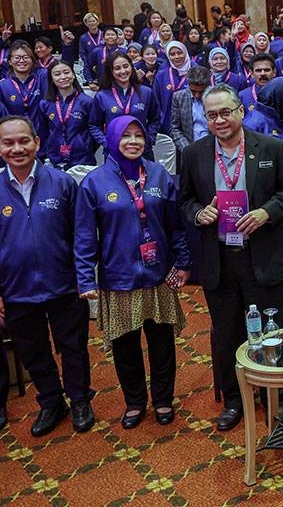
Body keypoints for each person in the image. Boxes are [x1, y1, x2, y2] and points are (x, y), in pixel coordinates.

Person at [178, 84, 283, 431]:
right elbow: (184, 200)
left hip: (262, 254)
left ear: (241, 112)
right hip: (219, 259)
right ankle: (233, 400)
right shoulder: (194, 154)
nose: (220, 120)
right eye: (212, 114)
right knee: (227, 333)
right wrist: (199, 213)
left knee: (271, 331)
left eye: (226, 112)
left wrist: (265, 213)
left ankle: (275, 397)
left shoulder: (271, 147)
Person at [76, 116, 190, 428]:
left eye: (139, 135)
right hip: (119, 277)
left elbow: (175, 226)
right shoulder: (94, 182)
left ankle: (163, 399)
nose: (133, 141)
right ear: (112, 140)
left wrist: (182, 262)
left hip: (158, 274)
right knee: (126, 345)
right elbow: (85, 236)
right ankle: (135, 401)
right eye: (126, 136)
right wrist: (86, 277)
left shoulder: (158, 173)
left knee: (162, 342)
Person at [0, 116, 94, 436]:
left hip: (64, 284)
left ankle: (80, 399)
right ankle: (52, 401)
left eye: (23, 141)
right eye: (8, 142)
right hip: (16, 290)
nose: (17, 148)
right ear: (0, 148)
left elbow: (82, 235)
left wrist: (84, 278)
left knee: (73, 346)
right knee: (34, 350)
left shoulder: (62, 182)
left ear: (37, 142)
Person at [89, 51, 160, 157]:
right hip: (114, 152)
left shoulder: (146, 92)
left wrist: (149, 139)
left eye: (126, 66)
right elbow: (94, 125)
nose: (123, 71)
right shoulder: (102, 96)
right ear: (111, 71)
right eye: (117, 68)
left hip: (142, 151)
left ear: (132, 67)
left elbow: (155, 119)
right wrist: (106, 143)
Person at [38, 59, 97, 169]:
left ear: (73, 75)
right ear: (51, 79)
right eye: (57, 74)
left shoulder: (87, 102)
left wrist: (85, 147)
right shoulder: (45, 104)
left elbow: (94, 130)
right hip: (54, 160)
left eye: (66, 72)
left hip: (82, 159)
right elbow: (43, 132)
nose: (63, 77)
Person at [168, 65, 211, 153]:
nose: (197, 95)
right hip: (188, 148)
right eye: (193, 91)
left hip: (212, 147)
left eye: (201, 92)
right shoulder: (179, 97)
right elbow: (175, 128)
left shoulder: (216, 96)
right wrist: (187, 149)